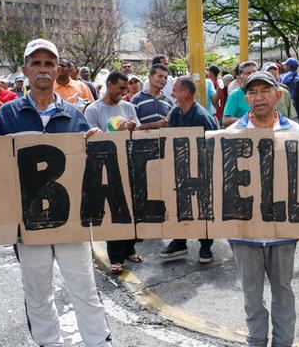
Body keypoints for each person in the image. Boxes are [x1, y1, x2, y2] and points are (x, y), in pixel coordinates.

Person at [0, 38, 131, 347]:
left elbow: (87, 166)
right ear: (25, 71)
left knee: (84, 286)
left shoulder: (72, 114)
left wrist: (95, 143)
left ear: (57, 68)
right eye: (36, 63)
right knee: (37, 287)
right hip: (27, 221)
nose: (43, 69)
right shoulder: (7, 115)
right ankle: (50, 345)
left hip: (69, 220)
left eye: (50, 63)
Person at [228, 71, 299, 347]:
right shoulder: (231, 135)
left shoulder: (297, 132)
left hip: (282, 229)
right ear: (245, 99)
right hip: (244, 230)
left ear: (277, 95)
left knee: (283, 288)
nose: (258, 97)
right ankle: (256, 343)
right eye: (252, 92)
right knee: (251, 290)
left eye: (264, 91)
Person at [84, 71, 143, 275]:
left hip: (129, 165)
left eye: (126, 89)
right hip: (107, 168)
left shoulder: (128, 107)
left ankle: (129, 249)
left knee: (132, 211)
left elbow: (140, 132)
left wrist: (132, 128)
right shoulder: (93, 110)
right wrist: (114, 133)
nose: (123, 93)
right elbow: (90, 139)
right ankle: (115, 258)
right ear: (109, 85)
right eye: (120, 88)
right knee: (113, 213)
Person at [158, 76, 220, 264]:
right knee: (179, 206)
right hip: (181, 170)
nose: (171, 92)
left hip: (202, 171)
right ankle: (179, 242)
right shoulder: (175, 113)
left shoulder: (202, 117)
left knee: (204, 208)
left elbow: (212, 147)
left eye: (175, 89)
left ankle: (205, 246)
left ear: (185, 93)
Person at [131, 63, 174, 130]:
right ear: (150, 77)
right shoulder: (136, 100)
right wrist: (154, 125)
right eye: (160, 76)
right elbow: (133, 127)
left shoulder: (168, 102)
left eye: (165, 78)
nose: (163, 80)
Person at [222, 61, 258, 127]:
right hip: (243, 135)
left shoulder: (263, 93)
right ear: (241, 76)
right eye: (248, 73)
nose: (252, 74)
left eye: (254, 72)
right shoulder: (235, 94)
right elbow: (226, 120)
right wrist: (249, 121)